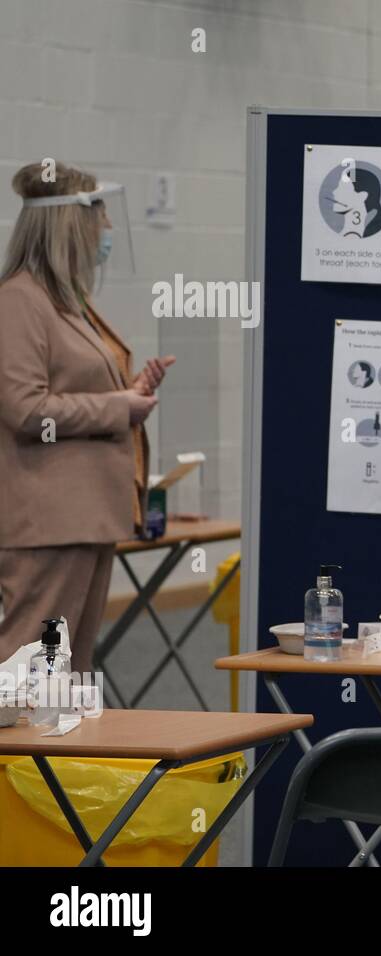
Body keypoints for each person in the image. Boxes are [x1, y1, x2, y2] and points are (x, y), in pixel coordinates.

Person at [0, 162, 174, 671]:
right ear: (71, 225)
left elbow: (71, 392)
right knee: (30, 666)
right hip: (47, 521)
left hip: (85, 517)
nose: (109, 231)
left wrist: (130, 390)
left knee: (66, 671)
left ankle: (53, 756)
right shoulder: (18, 302)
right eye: (101, 216)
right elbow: (26, 410)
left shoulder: (67, 303)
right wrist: (119, 407)